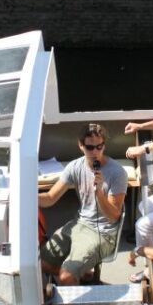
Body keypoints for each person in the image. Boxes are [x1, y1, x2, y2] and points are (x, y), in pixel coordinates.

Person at [39, 123, 127, 286]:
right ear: (81, 146)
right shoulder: (75, 167)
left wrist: (99, 192)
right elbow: (51, 197)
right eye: (90, 147)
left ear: (104, 145)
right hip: (79, 224)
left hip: (103, 232)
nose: (95, 152)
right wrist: (28, 194)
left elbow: (114, 216)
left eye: (99, 147)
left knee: (66, 277)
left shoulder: (117, 172)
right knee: (40, 264)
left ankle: (74, 283)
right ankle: (83, 275)